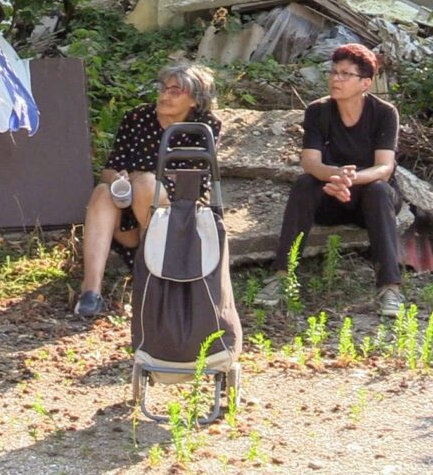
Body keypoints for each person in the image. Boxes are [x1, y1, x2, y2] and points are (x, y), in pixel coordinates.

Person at [253, 43, 405, 317]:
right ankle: (282, 275)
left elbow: (384, 167)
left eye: (346, 74)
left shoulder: (384, 113)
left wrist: (352, 179)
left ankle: (390, 288)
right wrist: (337, 177)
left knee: (379, 191)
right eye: (333, 72)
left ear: (365, 83)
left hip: (370, 198)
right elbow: (311, 162)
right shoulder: (318, 110)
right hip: (332, 193)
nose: (336, 79)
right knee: (304, 184)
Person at [74, 62, 221, 316]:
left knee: (146, 185)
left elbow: (192, 179)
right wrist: (118, 178)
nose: (164, 95)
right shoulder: (137, 118)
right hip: (130, 214)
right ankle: (91, 291)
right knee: (102, 191)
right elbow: (109, 169)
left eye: (175, 91)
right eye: (163, 88)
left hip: (179, 216)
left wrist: (141, 178)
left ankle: (157, 276)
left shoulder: (204, 126)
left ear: (195, 101)